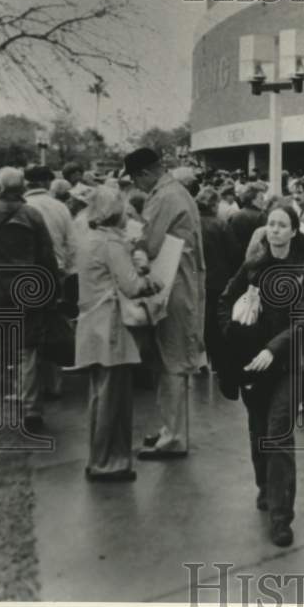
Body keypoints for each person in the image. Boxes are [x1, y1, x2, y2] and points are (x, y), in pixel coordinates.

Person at [217, 204, 304, 547]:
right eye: (271, 225)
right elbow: (224, 301)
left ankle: (281, 518)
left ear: (294, 231)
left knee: (278, 433)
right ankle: (265, 487)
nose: (275, 230)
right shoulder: (253, 267)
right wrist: (232, 333)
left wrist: (272, 349)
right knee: (257, 430)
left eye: (282, 225)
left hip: (289, 364)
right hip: (252, 363)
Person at [73, 187, 162, 482]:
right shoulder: (111, 244)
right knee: (114, 396)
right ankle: (110, 462)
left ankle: (100, 457)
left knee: (100, 394)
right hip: (111, 323)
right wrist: (150, 277)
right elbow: (132, 285)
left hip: (92, 321)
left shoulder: (88, 238)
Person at [0, 167, 59, 434]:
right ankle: (31, 411)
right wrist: (50, 291)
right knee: (27, 352)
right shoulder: (33, 215)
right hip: (28, 292)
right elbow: (47, 258)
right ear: (22, 187)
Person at [124, 147, 206, 459]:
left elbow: (148, 242)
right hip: (179, 286)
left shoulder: (163, 197)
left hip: (173, 288)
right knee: (167, 361)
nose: (136, 187)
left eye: (135, 180)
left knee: (172, 362)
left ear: (145, 173)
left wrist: (130, 232)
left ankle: (174, 437)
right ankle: (171, 428)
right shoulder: (177, 191)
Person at [25, 165, 78, 398]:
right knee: (55, 326)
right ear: (47, 183)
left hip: (26, 274)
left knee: (29, 332)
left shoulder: (23, 208)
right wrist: (67, 270)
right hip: (56, 272)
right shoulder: (60, 208)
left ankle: (31, 386)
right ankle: (54, 383)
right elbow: (72, 243)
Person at [195, 187, 242, 372]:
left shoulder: (192, 224)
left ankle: (200, 359)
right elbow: (234, 253)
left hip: (197, 279)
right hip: (218, 280)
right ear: (214, 204)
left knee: (200, 319)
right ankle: (217, 361)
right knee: (217, 321)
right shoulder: (221, 225)